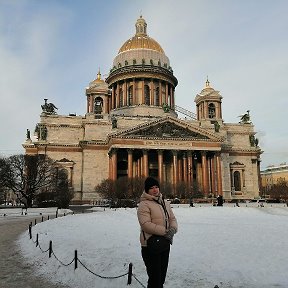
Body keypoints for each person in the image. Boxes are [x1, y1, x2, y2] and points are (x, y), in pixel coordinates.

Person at [137, 177, 178, 288]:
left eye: (156, 187)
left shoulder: (165, 202)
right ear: (147, 190)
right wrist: (165, 232)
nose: (155, 190)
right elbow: (145, 224)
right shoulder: (144, 204)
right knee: (154, 278)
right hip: (150, 245)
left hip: (164, 244)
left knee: (161, 277)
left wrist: (173, 229)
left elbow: (172, 219)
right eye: (151, 188)